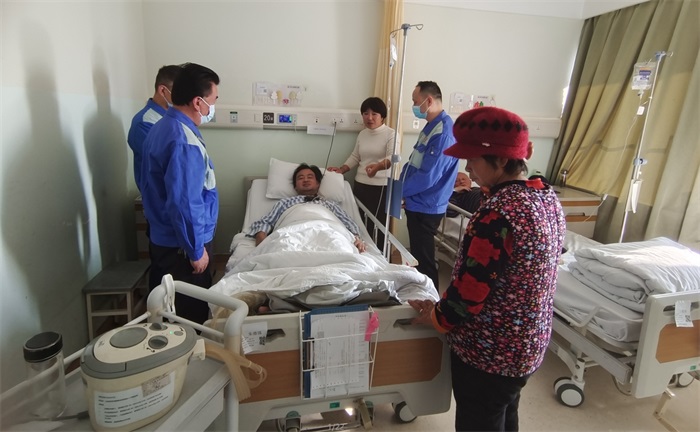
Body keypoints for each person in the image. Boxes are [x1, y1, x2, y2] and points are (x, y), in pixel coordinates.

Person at [408, 106, 566, 432]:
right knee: (504, 412)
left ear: (503, 160)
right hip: (528, 342)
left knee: (480, 420)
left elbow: (471, 289)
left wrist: (437, 316)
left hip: (490, 351)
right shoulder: (545, 196)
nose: (467, 167)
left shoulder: (498, 213)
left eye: (474, 159)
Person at [140, 62, 220, 325]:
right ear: (198, 102)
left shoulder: (162, 127)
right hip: (182, 249)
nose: (213, 108)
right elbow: (185, 203)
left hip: (165, 241)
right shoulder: (183, 141)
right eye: (213, 100)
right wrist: (195, 251)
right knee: (188, 320)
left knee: (164, 312)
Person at [401, 81, 459, 290]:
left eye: (415, 102)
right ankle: (420, 294)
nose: (414, 106)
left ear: (429, 100)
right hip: (417, 201)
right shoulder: (431, 126)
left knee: (424, 260)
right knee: (418, 255)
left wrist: (400, 191)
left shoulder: (443, 133)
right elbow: (414, 161)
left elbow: (428, 177)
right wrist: (402, 188)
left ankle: (431, 299)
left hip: (427, 205)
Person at [328, 97, 397, 249]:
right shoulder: (362, 134)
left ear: (382, 116)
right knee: (360, 222)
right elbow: (355, 156)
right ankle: (362, 253)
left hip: (381, 187)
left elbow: (391, 158)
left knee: (378, 226)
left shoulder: (391, 134)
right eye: (366, 114)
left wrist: (377, 167)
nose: (369, 118)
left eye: (374, 114)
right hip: (361, 185)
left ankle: (380, 255)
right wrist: (342, 169)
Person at [249, 164, 367, 253]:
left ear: (318, 184)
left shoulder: (330, 204)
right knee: (283, 249)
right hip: (291, 232)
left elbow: (348, 222)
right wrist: (262, 241)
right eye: (300, 178)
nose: (305, 180)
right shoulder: (285, 202)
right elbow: (266, 222)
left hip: (328, 232)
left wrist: (356, 239)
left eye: (310, 177)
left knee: (339, 247)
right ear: (295, 186)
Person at [127, 64, 182, 193]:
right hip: (161, 196)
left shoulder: (174, 117)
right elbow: (166, 164)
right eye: (180, 92)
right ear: (163, 90)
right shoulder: (145, 123)